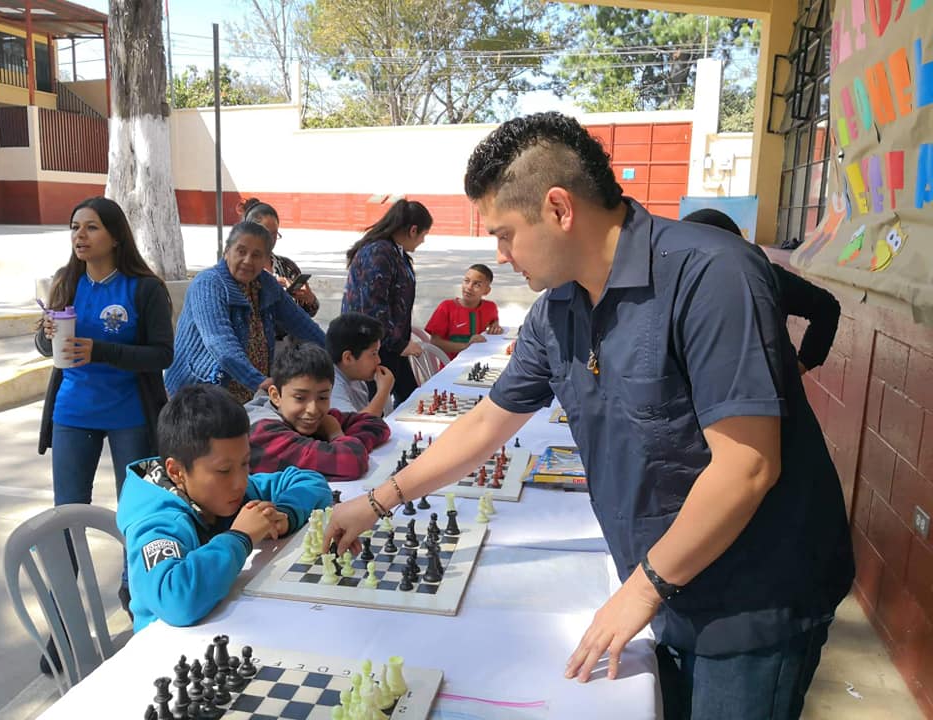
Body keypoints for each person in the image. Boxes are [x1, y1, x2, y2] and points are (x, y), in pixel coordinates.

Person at [323, 113, 854, 720]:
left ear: (558, 208)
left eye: (505, 233)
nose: (499, 256)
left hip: (751, 600)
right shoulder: (557, 310)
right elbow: (484, 426)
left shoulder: (712, 273)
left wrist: (642, 591)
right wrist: (375, 503)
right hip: (661, 585)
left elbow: (747, 466)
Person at [35, 196, 174, 664]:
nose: (80, 235)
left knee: (136, 515)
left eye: (91, 227)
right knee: (66, 521)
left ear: (115, 235)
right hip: (73, 412)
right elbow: (48, 345)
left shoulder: (145, 289)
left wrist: (103, 351)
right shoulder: (66, 282)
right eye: (75, 227)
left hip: (130, 414)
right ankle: (64, 627)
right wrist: (44, 334)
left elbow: (161, 355)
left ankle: (138, 602)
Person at [117, 384, 331, 632]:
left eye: (245, 463)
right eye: (223, 470)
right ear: (176, 471)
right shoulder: (157, 522)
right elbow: (175, 600)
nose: (240, 482)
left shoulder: (231, 489)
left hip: (230, 625)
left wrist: (286, 513)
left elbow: (310, 481)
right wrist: (240, 537)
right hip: (171, 652)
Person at [165, 221, 326, 405]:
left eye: (257, 255)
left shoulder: (265, 283)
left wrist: (335, 352)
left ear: (266, 259)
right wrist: (259, 381)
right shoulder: (208, 284)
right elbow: (220, 342)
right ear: (227, 251)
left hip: (248, 392)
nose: (248, 260)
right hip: (198, 395)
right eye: (241, 251)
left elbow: (300, 322)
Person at [682, 208, 840, 375]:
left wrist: (802, 364)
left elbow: (827, 307)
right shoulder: (686, 282)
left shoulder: (767, 277)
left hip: (763, 389)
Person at [245, 340, 391, 481]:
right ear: (276, 396)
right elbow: (352, 461)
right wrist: (335, 434)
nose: (313, 409)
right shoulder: (263, 432)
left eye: (322, 397)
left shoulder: (309, 419)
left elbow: (376, 424)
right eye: (300, 398)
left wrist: (336, 447)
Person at [341, 199, 431, 405]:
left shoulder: (394, 251)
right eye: (424, 235)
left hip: (388, 345)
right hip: (372, 347)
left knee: (410, 400)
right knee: (377, 406)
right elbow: (373, 307)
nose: (423, 241)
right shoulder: (379, 252)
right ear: (413, 230)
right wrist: (399, 344)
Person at [238, 198, 320, 318]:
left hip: (290, 335)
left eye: (274, 234)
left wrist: (309, 298)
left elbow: (308, 314)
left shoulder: (287, 267)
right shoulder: (238, 268)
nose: (270, 239)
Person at [424, 263, 503, 359]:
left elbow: (493, 321)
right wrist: (467, 347)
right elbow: (435, 342)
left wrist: (495, 325)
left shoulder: (490, 307)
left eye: (477, 284)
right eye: (466, 281)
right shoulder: (446, 307)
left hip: (480, 361)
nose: (469, 287)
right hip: (451, 365)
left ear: (487, 291)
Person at [326, 312, 395, 417]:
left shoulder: (355, 377)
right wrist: (383, 391)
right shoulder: (332, 387)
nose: (378, 360)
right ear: (348, 358)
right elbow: (357, 424)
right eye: (373, 353)